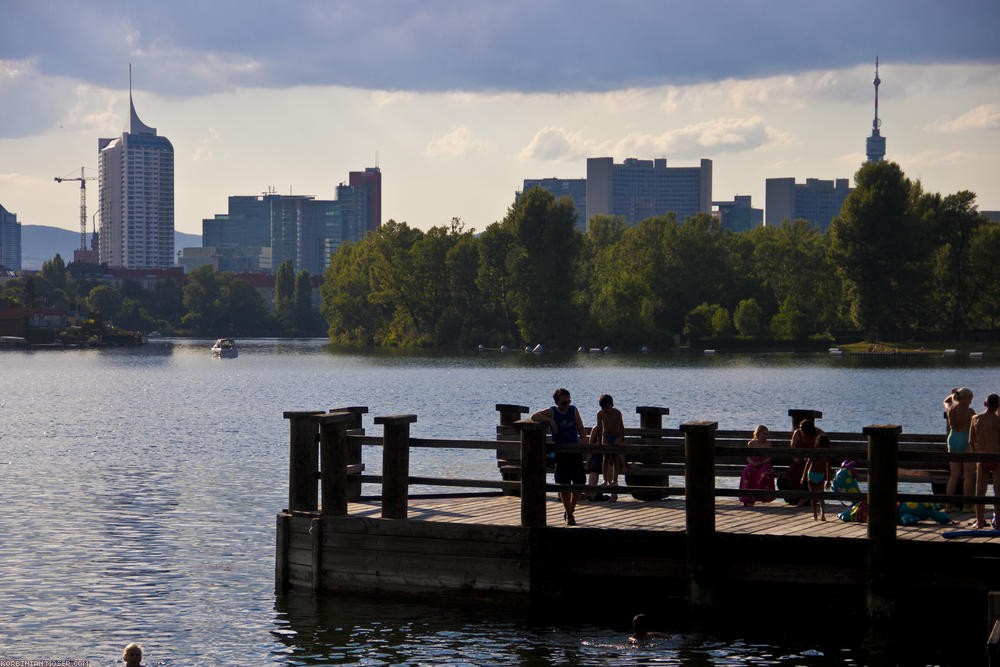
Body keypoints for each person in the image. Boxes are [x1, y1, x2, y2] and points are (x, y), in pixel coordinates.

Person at [532, 388, 587, 525]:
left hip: (574, 451)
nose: (567, 405)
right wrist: (551, 421)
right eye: (563, 403)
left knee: (580, 483)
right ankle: (569, 514)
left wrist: (584, 443)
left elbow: (580, 427)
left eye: (569, 401)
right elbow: (534, 416)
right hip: (561, 453)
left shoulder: (573, 410)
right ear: (557, 402)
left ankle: (571, 509)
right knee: (563, 485)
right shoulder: (552, 411)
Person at [970, 393, 1000, 528]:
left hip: (982, 458)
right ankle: (999, 522)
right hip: (997, 457)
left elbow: (971, 441)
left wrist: (977, 454)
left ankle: (979, 521)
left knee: (980, 491)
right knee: (998, 491)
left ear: (984, 404)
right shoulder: (998, 420)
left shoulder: (975, 419)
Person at [590, 394, 626, 502]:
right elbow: (600, 427)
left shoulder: (617, 413)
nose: (606, 410)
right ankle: (605, 480)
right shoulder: (600, 414)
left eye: (608, 407)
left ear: (612, 405)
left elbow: (621, 426)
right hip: (606, 436)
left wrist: (621, 439)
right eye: (604, 408)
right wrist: (600, 441)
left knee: (615, 458)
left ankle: (614, 480)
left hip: (615, 435)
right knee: (605, 458)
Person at [945, 387, 976, 511]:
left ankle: (948, 505)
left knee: (954, 475)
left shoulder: (950, 410)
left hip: (953, 440)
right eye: (971, 398)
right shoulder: (970, 412)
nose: (971, 400)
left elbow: (946, 401)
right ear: (967, 399)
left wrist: (953, 394)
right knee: (968, 476)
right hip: (965, 441)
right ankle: (967, 506)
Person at [785, 419, 823, 506]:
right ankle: (797, 495)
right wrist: (795, 457)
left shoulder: (816, 432)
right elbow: (793, 446)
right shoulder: (797, 433)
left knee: (808, 473)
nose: (806, 436)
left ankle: (805, 497)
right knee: (792, 471)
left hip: (811, 460)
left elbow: (824, 440)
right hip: (799, 459)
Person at [738, 425, 776, 506]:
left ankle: (757, 496)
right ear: (758, 434)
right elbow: (748, 456)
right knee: (747, 471)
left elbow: (769, 457)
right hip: (753, 463)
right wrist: (752, 462)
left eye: (767, 434)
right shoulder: (751, 443)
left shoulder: (768, 444)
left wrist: (762, 463)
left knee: (764, 473)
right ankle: (747, 497)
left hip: (764, 463)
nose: (765, 436)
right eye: (764, 434)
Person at [801, 434, 832, 520]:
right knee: (821, 496)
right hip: (820, 475)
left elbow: (808, 464)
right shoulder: (827, 454)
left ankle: (815, 515)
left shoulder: (814, 452)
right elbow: (828, 468)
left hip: (811, 474)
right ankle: (822, 514)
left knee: (813, 497)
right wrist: (828, 481)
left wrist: (803, 476)